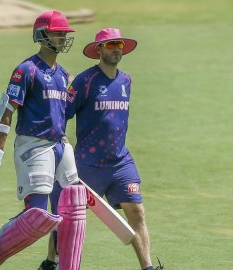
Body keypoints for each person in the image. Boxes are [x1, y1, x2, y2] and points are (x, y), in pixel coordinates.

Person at [39, 28, 163, 270]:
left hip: (120, 162)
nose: (116, 48)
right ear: (98, 50)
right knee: (66, 218)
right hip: (87, 164)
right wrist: (57, 147)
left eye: (119, 44)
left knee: (137, 212)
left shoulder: (126, 80)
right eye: (109, 45)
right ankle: (51, 262)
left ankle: (148, 267)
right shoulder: (85, 81)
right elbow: (63, 114)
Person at [0, 10, 87, 270]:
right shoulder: (26, 70)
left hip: (61, 145)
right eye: (58, 33)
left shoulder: (63, 75)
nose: (62, 38)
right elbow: (7, 111)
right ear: (42, 35)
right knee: (36, 217)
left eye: (64, 34)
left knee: (73, 209)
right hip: (34, 145)